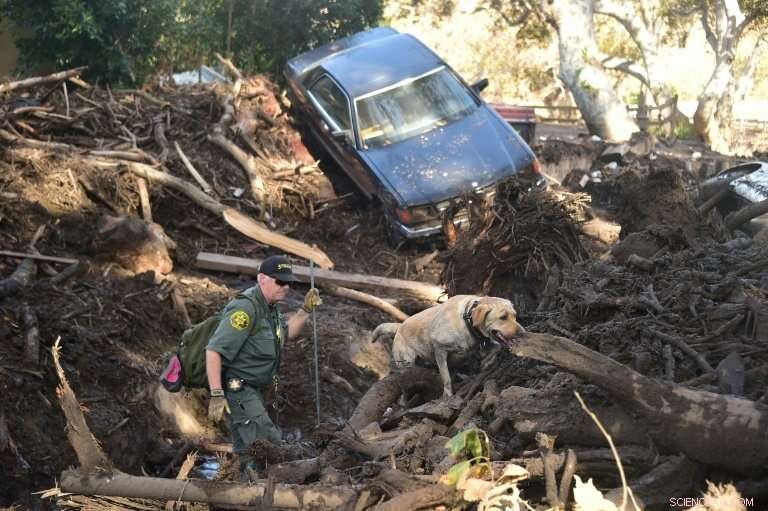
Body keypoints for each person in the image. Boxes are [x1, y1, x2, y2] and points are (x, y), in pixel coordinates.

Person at [205, 254, 321, 479]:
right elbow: (213, 350)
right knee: (267, 443)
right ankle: (268, 488)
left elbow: (286, 334)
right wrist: (216, 393)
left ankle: (244, 488)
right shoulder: (245, 310)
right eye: (280, 281)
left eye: (288, 283)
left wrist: (306, 310)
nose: (285, 287)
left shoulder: (270, 309)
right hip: (239, 389)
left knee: (248, 451)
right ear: (262, 279)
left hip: (256, 390)